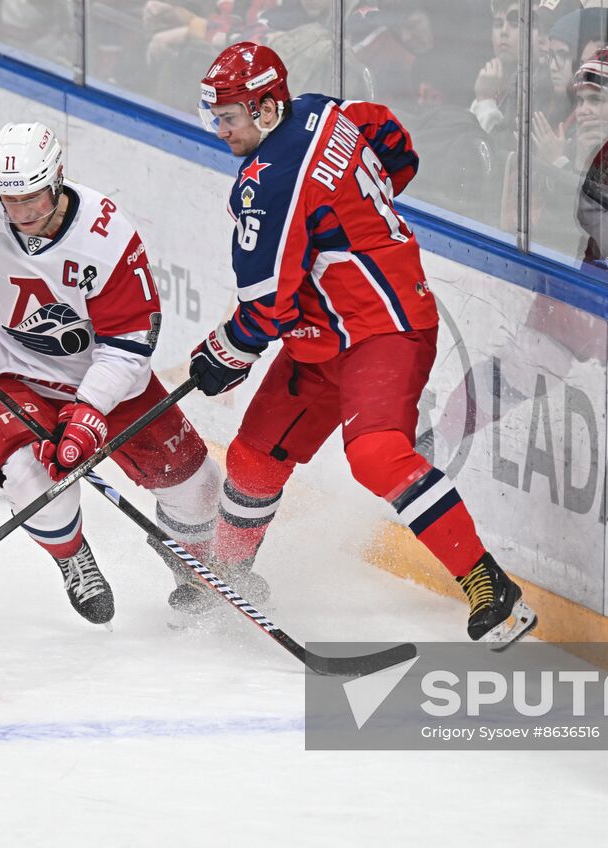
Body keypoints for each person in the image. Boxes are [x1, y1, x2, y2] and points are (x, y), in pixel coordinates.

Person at [183, 41, 537, 648]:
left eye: (230, 118)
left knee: (376, 454)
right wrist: (358, 222)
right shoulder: (322, 110)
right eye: (216, 117)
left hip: (384, 331)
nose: (221, 131)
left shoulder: (266, 183)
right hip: (322, 336)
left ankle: (488, 585)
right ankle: (230, 572)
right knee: (253, 456)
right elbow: (398, 144)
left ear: (267, 109)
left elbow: (265, 308)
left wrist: (223, 353)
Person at [0, 122, 220, 626]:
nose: (20, 213)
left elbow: (129, 344)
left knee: (196, 486)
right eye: (9, 199)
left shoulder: (107, 238)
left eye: (33, 199)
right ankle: (74, 559)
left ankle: (190, 564)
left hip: (104, 376)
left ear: (58, 179)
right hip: (5, 370)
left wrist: (89, 412)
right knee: (31, 476)